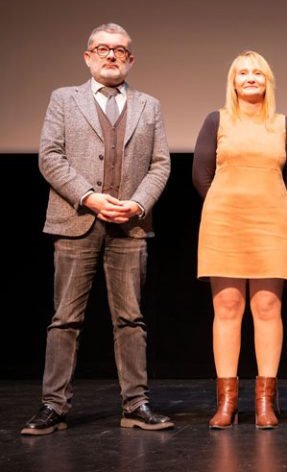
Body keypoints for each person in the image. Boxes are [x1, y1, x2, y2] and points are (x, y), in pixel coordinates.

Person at [23, 23, 173, 436]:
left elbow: (161, 163)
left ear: (130, 59)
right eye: (102, 49)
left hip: (130, 225)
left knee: (130, 319)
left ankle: (136, 403)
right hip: (75, 222)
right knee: (65, 320)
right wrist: (89, 197)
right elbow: (49, 155)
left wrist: (137, 203)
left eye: (120, 51)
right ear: (88, 56)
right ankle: (53, 406)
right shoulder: (63, 99)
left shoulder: (150, 105)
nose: (111, 56)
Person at [192, 50, 287, 430]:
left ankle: (264, 403)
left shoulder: (283, 125)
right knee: (227, 307)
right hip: (224, 222)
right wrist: (230, 203)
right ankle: (226, 404)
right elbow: (201, 175)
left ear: (268, 80)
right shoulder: (216, 120)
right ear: (233, 81)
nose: (251, 77)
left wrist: (263, 200)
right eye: (243, 73)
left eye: (258, 72)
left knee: (268, 308)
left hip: (271, 223)